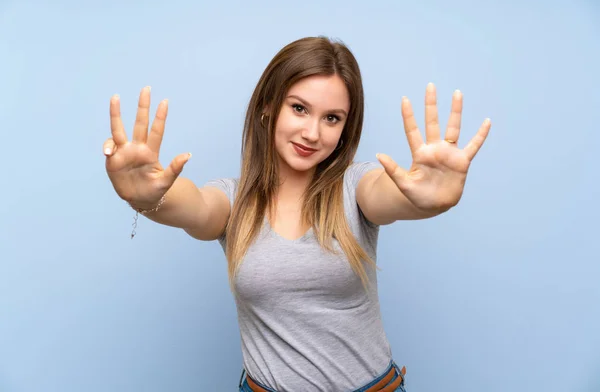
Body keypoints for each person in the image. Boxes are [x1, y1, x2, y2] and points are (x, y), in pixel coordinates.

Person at [103, 36, 491, 392]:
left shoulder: (356, 186)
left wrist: (430, 198)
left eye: (332, 118)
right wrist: (145, 195)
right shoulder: (232, 200)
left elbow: (390, 196)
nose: (312, 133)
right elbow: (194, 208)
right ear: (268, 107)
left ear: (345, 129)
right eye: (300, 108)